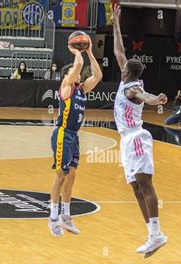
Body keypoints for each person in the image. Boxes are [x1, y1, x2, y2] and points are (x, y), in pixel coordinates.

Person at [111, 4, 168, 257]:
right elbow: (118, 49)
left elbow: (146, 96)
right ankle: (152, 234)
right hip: (126, 141)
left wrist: (158, 100)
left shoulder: (133, 88)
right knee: (135, 187)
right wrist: (116, 24)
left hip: (136, 137)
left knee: (145, 185)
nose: (120, 65)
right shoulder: (127, 78)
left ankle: (157, 233)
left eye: (123, 66)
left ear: (127, 72)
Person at [48, 36, 103, 236]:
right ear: (69, 75)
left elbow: (97, 75)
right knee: (61, 175)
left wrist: (90, 52)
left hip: (74, 135)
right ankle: (53, 217)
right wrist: (76, 49)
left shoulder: (81, 90)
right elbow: (78, 65)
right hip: (62, 134)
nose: (79, 74)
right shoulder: (66, 86)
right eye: (75, 73)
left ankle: (66, 216)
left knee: (71, 175)